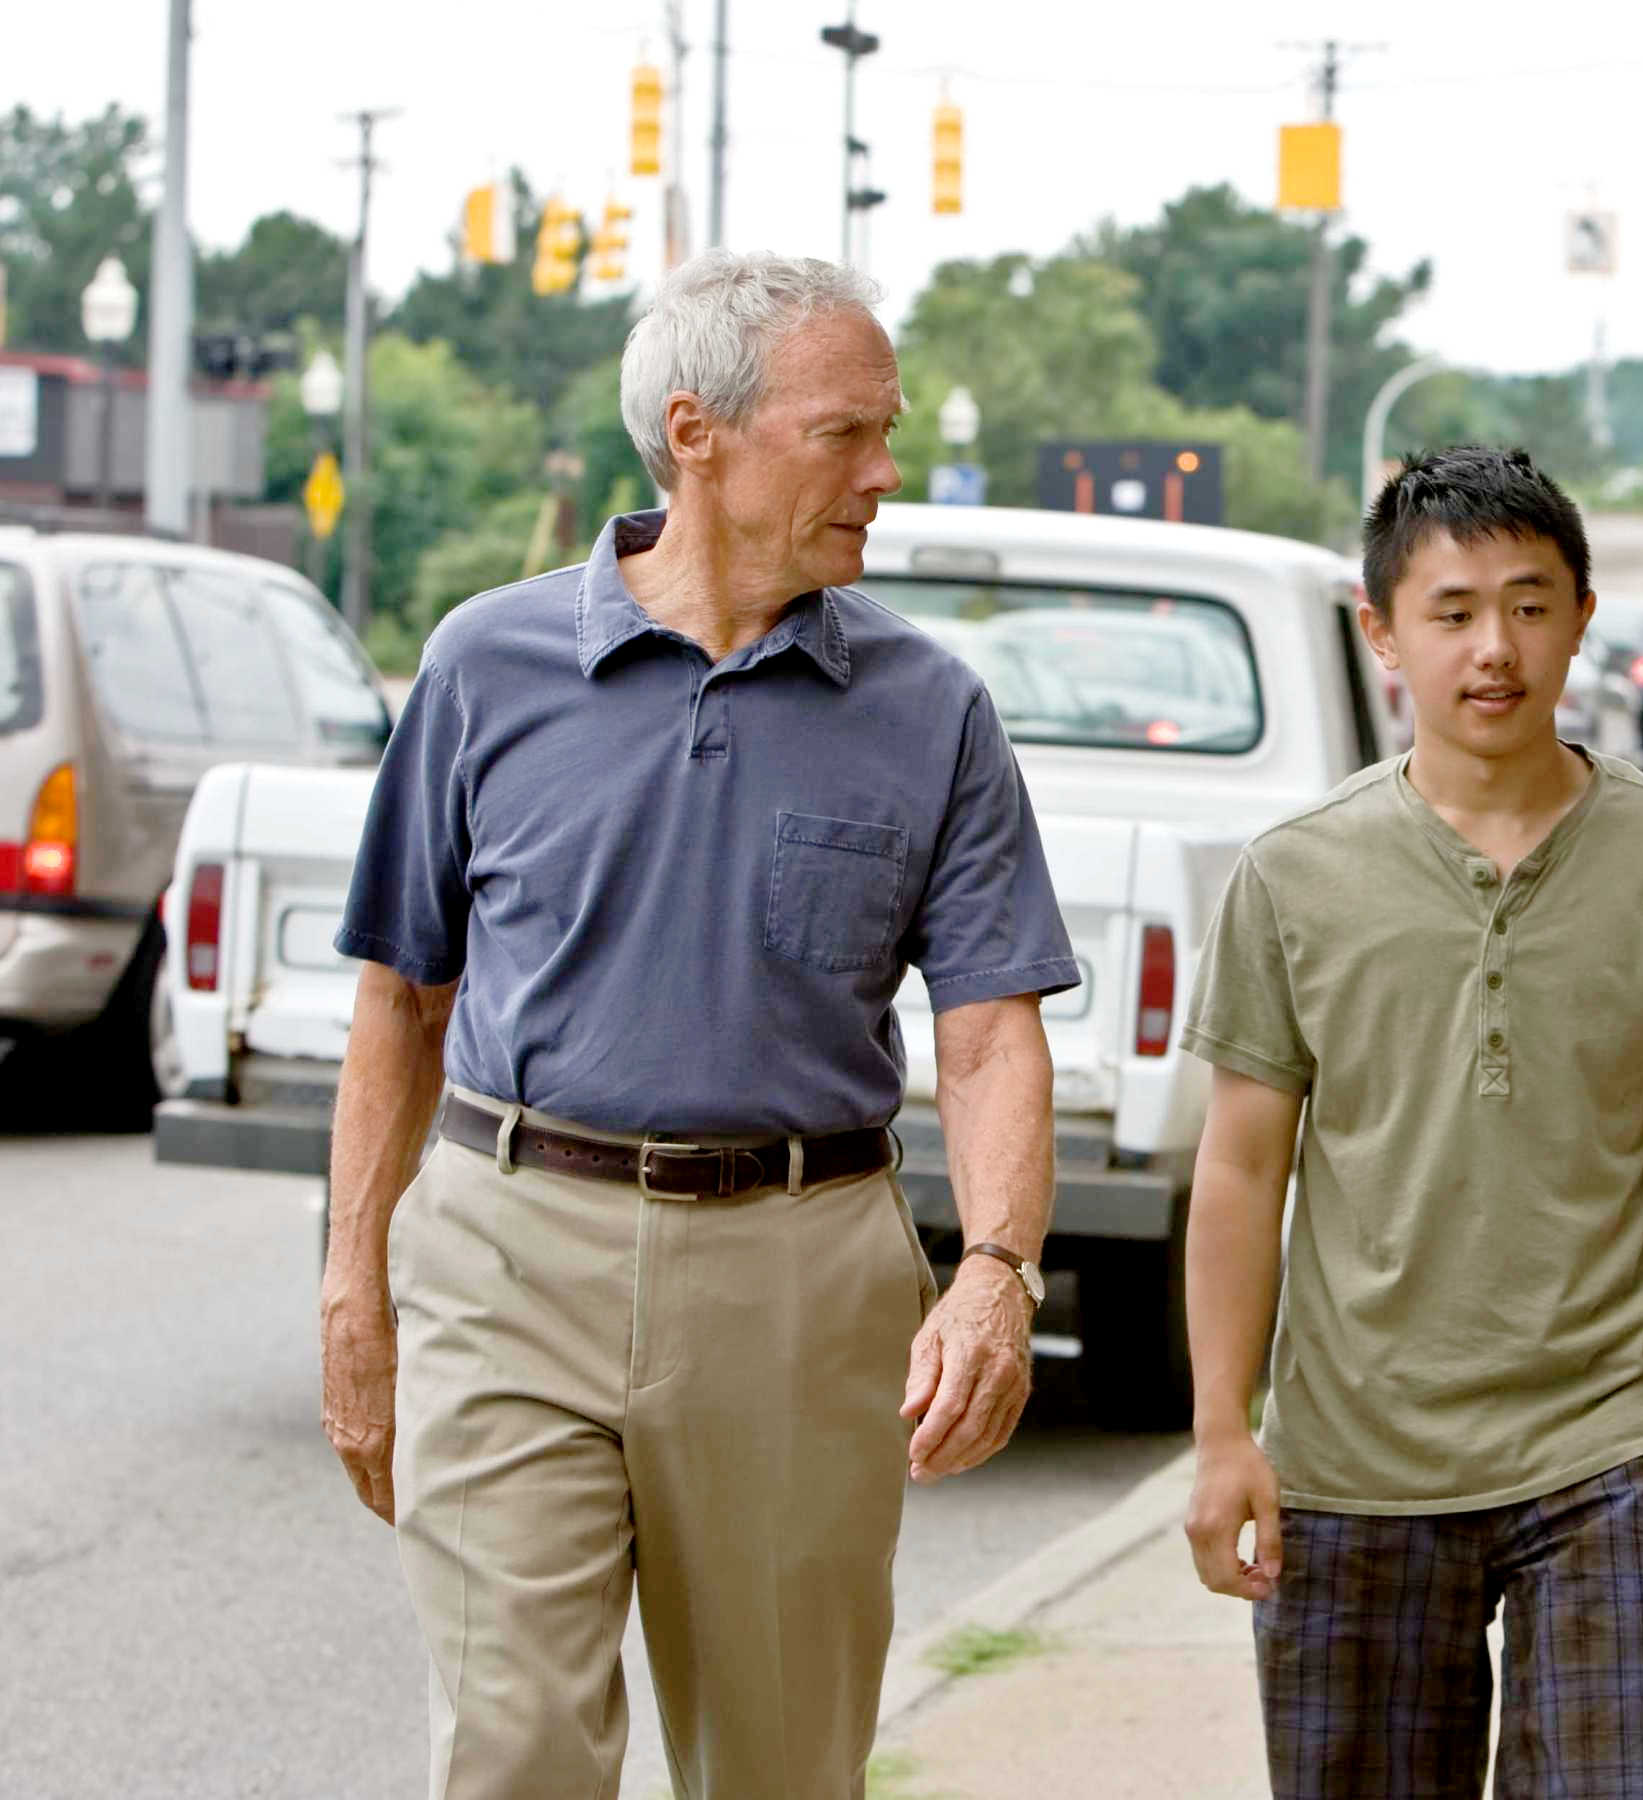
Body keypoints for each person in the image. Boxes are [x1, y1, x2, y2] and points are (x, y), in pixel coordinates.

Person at [319, 250, 1077, 1798]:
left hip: (801, 1275)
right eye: (846, 432)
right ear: (697, 434)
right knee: (513, 1745)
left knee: (780, 1766)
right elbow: (404, 991)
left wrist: (998, 1271)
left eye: (890, 429)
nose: (886, 470)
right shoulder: (485, 663)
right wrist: (354, 1282)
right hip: (510, 1249)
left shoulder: (930, 711)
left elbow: (990, 1032)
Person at [1178, 445, 1643, 1798]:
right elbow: (1239, 1166)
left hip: (1603, 1446)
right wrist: (1225, 1433)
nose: (1493, 648)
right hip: (1352, 1462)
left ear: (1579, 615)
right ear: (1382, 634)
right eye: (1451, 612)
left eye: (1527, 603)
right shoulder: (1296, 877)